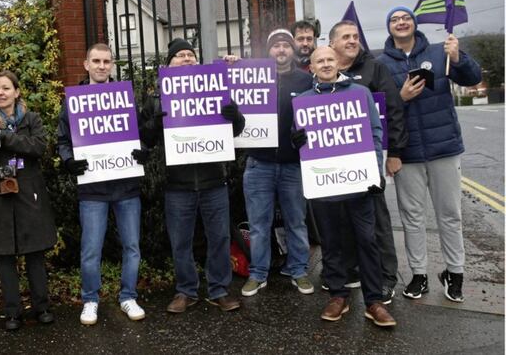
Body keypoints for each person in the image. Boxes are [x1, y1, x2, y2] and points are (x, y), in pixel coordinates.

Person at [377, 6, 482, 303]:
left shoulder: (439, 51)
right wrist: (402, 97)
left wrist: (459, 57)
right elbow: (380, 109)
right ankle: (419, 275)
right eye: (395, 20)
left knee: (450, 215)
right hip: (407, 152)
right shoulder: (381, 63)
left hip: (443, 147)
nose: (401, 22)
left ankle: (455, 273)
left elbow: (471, 78)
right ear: (389, 28)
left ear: (414, 23)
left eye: (405, 18)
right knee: (412, 217)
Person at [139, 38, 244, 314]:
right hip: (177, 185)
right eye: (180, 55)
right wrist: (156, 122)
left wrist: (234, 115)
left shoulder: (216, 89)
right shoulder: (156, 98)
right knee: (181, 241)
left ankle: (219, 290)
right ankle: (186, 290)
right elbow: (144, 138)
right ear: (168, 63)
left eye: (190, 55)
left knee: (219, 237)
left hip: (213, 181)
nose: (186, 58)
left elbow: (236, 130)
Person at [294, 46, 396, 327]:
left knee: (367, 240)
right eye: (320, 61)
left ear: (338, 63)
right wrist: (299, 143)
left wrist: (376, 173)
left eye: (330, 59)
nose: (326, 64)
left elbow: (375, 133)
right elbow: (303, 142)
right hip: (324, 186)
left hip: (359, 184)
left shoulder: (360, 93)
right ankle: (338, 295)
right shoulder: (303, 101)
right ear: (311, 67)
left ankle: (373, 301)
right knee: (332, 242)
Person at [57, 43, 146, 325]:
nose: (101, 66)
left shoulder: (126, 97)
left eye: (106, 61)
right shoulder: (74, 100)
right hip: (93, 187)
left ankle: (128, 296)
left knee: (132, 246)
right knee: (91, 249)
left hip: (126, 185)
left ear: (112, 64)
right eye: (96, 61)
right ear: (86, 65)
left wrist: (142, 149)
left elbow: (142, 133)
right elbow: (62, 140)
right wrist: (69, 160)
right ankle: (90, 300)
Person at [328, 20, 408, 303]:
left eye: (355, 36)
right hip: (336, 165)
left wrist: (395, 152)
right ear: (332, 43)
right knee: (343, 219)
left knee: (377, 220)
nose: (352, 40)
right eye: (346, 37)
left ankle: (387, 278)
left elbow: (394, 110)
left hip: (370, 160)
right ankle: (351, 271)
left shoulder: (375, 68)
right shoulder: (327, 73)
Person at [0, 71, 57, 331]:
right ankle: (12, 312)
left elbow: (39, 147)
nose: (0, 93)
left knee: (35, 254)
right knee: (5, 257)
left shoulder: (31, 119)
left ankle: (42, 307)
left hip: (29, 195)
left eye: (6, 88)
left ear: (17, 92)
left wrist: (7, 138)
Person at [240, 29, 314, 298]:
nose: (281, 50)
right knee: (259, 224)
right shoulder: (252, 78)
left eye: (286, 45)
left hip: (293, 165)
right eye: (275, 46)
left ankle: (298, 270)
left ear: (292, 51)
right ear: (268, 51)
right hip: (259, 164)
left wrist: (305, 135)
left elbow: (318, 114)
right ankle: (258, 273)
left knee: (297, 221)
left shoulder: (306, 80)